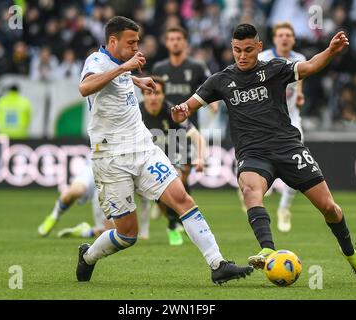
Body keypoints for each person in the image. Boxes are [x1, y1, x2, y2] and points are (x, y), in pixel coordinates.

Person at [171, 24, 356, 282]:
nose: (242, 56)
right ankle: (267, 248)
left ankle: (351, 254)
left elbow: (309, 66)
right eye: (237, 50)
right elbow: (189, 105)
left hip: (287, 148)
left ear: (259, 48)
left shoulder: (275, 68)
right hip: (252, 153)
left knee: (329, 208)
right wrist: (182, 111)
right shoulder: (221, 80)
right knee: (250, 190)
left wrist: (331, 51)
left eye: (248, 50)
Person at [76, 16, 253, 284]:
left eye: (137, 42)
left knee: (183, 200)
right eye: (130, 42)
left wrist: (136, 80)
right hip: (110, 157)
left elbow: (117, 75)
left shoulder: (118, 65)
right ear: (112, 41)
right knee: (127, 235)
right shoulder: (96, 61)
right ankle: (88, 256)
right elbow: (85, 87)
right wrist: (126, 68)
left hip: (143, 148)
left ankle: (218, 264)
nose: (137, 48)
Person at [240, 21, 307, 233]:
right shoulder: (263, 58)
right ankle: (253, 190)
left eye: (288, 35)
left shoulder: (299, 59)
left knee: (297, 163)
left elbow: (299, 82)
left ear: (293, 39)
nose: (285, 38)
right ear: (275, 38)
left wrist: (300, 96)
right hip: (265, 121)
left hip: (291, 121)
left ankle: (284, 208)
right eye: (281, 35)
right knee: (252, 157)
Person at [152, 27, 218, 208]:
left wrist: (214, 103)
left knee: (184, 172)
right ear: (166, 43)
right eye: (171, 39)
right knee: (165, 173)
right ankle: (173, 212)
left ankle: (176, 208)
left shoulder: (196, 67)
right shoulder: (159, 68)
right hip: (162, 127)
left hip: (188, 127)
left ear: (185, 42)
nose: (175, 42)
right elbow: (152, 96)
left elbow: (210, 87)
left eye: (178, 39)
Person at [139, 76, 206, 245]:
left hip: (174, 151)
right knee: (161, 189)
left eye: (157, 93)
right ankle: (172, 223)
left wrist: (200, 158)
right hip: (146, 156)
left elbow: (197, 136)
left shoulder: (171, 111)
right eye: (148, 93)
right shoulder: (135, 113)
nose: (153, 97)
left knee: (176, 177)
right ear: (143, 95)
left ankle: (176, 219)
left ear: (163, 95)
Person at [37, 164, 113, 238]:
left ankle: (84, 231)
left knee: (111, 232)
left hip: (114, 175)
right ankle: (54, 215)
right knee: (76, 191)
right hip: (93, 167)